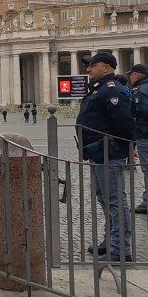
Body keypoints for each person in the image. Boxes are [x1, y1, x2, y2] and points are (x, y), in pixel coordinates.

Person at [77, 52, 134, 262]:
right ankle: (111, 241)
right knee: (105, 199)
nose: (88, 69)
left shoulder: (112, 90)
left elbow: (123, 123)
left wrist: (126, 147)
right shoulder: (100, 89)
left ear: (107, 67)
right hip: (98, 152)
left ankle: (120, 248)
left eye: (93, 65)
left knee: (115, 200)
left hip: (109, 153)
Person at [128, 64, 148, 215]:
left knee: (146, 168)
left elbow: (140, 111)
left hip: (144, 134)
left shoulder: (139, 90)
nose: (130, 77)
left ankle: (147, 202)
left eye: (131, 75)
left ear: (136, 75)